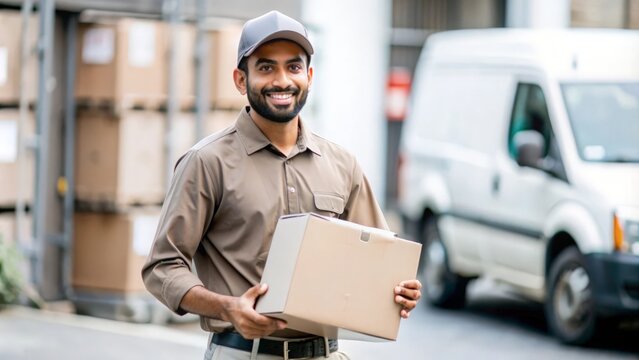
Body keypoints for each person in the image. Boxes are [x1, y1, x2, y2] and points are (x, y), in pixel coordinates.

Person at [142, 10, 421, 360]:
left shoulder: (341, 163)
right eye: (265, 67)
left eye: (293, 67)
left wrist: (400, 289)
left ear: (309, 76)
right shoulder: (206, 162)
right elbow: (162, 267)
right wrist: (228, 307)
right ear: (241, 80)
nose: (281, 80)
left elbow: (379, 260)